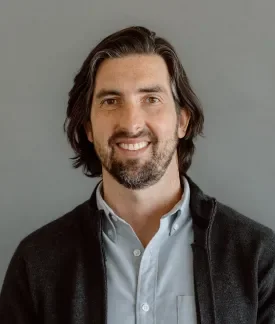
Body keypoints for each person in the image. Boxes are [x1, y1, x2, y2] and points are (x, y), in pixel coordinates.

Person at [0, 26, 274, 324]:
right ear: (88, 128)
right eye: (110, 101)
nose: (131, 124)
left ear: (182, 121)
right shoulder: (37, 262)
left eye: (151, 99)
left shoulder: (258, 256)